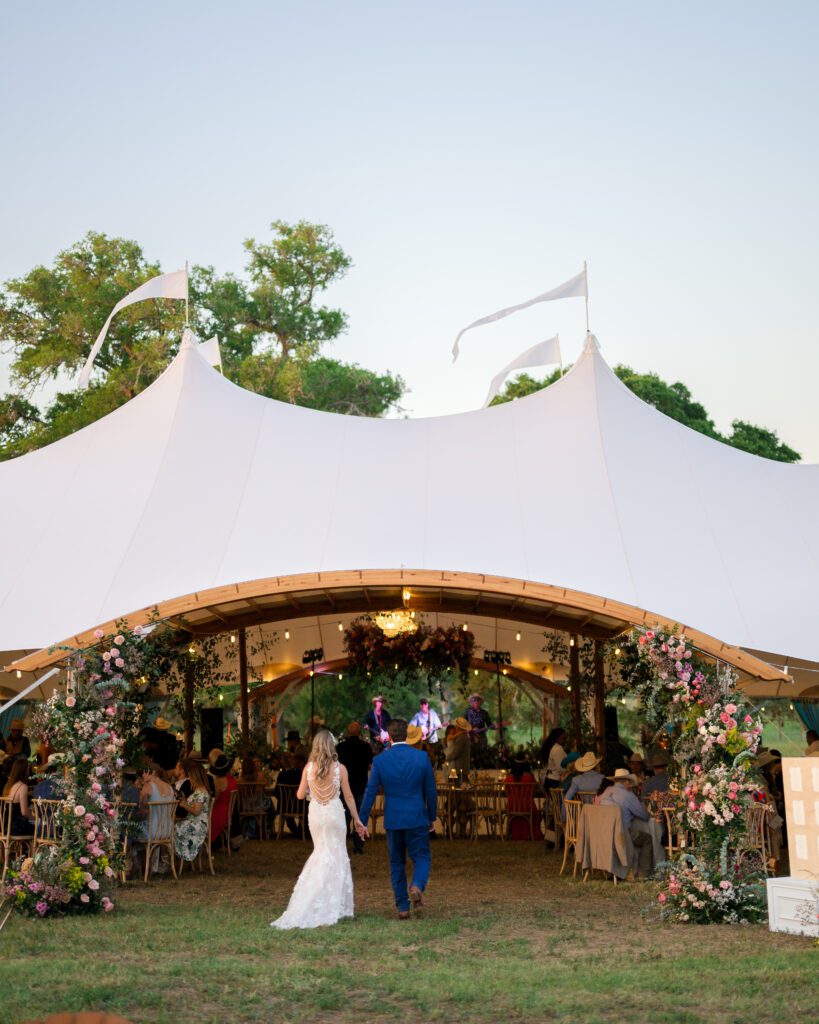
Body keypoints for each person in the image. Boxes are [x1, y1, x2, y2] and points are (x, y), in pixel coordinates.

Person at [271, 729, 363, 929]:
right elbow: (348, 797)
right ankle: (336, 904)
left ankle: (316, 899)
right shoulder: (340, 769)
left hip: (316, 815)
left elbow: (299, 795)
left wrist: (312, 793)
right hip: (334, 813)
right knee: (337, 854)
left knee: (321, 853)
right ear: (332, 746)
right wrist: (357, 820)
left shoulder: (308, 768)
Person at [358, 719, 438, 920]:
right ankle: (417, 885)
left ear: (389, 737)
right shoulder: (421, 758)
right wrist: (432, 816)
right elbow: (430, 789)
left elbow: (370, 792)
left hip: (393, 819)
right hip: (417, 816)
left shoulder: (380, 761)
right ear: (408, 735)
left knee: (396, 863)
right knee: (421, 856)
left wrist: (361, 820)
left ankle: (402, 907)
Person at [600, 768, 653, 877]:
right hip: (622, 835)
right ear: (626, 782)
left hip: (604, 833)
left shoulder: (606, 791)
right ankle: (643, 873)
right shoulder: (628, 795)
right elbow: (644, 815)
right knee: (647, 839)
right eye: (629, 781)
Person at [336, 721, 373, 855]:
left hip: (344, 787)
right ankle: (358, 846)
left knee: (344, 817)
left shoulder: (340, 747)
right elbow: (370, 765)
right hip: (361, 785)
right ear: (359, 733)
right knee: (360, 816)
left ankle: (341, 846)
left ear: (348, 732)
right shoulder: (365, 747)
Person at [174, 758, 211, 863]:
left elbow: (196, 812)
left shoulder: (200, 792)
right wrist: (186, 800)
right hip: (195, 822)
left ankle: (174, 857)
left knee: (171, 828)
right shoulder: (200, 790)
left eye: (190, 776)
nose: (189, 778)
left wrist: (185, 805)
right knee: (174, 825)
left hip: (197, 824)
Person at [504, 755, 543, 840]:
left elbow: (507, 793)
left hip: (512, 806)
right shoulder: (529, 777)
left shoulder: (508, 777)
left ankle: (513, 834)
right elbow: (533, 793)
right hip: (527, 805)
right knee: (536, 813)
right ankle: (530, 834)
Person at [273, 751, 308, 838]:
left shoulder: (283, 775)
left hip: (285, 807)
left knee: (285, 806)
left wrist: (286, 799)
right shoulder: (305, 776)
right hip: (301, 806)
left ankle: (296, 832)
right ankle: (301, 831)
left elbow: (276, 792)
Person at [210, 752, 239, 849]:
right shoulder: (231, 780)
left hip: (221, 813)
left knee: (204, 813)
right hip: (231, 811)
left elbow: (215, 800)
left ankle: (209, 842)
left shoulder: (218, 782)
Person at [2, 758, 35, 836]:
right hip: (16, 828)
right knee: (41, 827)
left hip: (5, 826)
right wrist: (36, 818)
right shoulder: (22, 786)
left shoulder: (8, 785)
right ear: (25, 771)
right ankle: (33, 848)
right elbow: (24, 812)